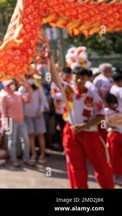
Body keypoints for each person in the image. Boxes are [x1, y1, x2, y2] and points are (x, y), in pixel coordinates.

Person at [47, 46, 114, 189]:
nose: (79, 80)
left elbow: (101, 116)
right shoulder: (69, 91)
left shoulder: (93, 95)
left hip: (89, 134)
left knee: (101, 166)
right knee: (76, 169)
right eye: (77, 76)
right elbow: (54, 77)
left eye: (83, 77)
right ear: (73, 77)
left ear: (88, 78)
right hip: (71, 133)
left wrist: (83, 127)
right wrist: (49, 59)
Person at [0, 79, 32, 168]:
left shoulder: (18, 94)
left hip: (21, 120)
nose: (13, 86)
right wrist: (5, 123)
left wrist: (28, 87)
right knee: (11, 141)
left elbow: (28, 100)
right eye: (10, 84)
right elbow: (3, 112)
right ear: (6, 86)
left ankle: (26, 159)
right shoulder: (4, 97)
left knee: (25, 140)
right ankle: (13, 160)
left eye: (13, 84)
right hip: (11, 122)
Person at [19, 74, 48, 164]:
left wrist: (41, 110)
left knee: (40, 134)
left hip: (38, 114)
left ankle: (42, 154)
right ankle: (33, 154)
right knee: (31, 135)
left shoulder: (37, 86)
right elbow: (21, 103)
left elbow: (43, 100)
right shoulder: (21, 89)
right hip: (27, 116)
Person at [106, 72, 122, 185]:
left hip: (116, 130)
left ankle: (117, 174)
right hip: (115, 131)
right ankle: (116, 175)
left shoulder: (113, 89)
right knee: (115, 155)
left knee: (116, 155)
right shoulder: (118, 90)